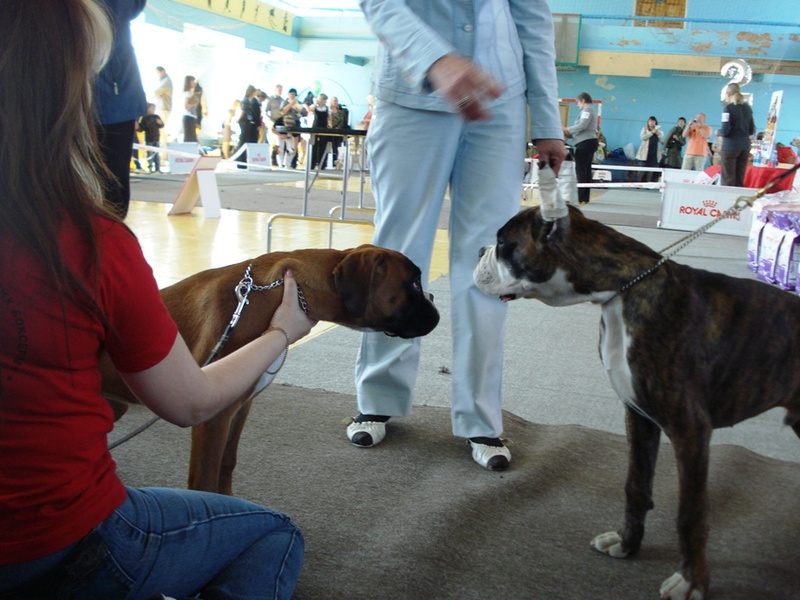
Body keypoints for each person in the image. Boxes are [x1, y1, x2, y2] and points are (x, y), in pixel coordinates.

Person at [0, 2, 317, 599]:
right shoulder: (93, 244)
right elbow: (189, 403)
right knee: (273, 534)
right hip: (60, 539)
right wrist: (282, 333)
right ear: (70, 94)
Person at [346, 0, 567, 471]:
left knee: (490, 262)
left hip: (499, 100)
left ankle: (480, 416)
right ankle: (379, 396)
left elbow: (532, 19)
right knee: (397, 253)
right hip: (410, 94)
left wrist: (548, 121)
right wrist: (434, 59)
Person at [92, 0, 147, 219]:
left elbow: (127, 8)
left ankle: (111, 233)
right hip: (78, 99)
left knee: (112, 180)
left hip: (114, 102)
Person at [563, 92, 598, 205]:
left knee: (581, 169)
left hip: (585, 142)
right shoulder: (590, 110)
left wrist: (567, 129)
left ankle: (580, 196)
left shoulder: (587, 110)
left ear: (582, 100)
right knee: (586, 170)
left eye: (578, 102)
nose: (578, 105)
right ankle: (584, 197)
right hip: (589, 141)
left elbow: (582, 126)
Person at [720, 83, 756, 187]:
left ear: (727, 94)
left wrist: (718, 132)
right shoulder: (748, 108)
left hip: (730, 147)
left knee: (728, 179)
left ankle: (727, 197)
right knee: (739, 178)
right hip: (744, 147)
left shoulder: (728, 108)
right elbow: (751, 130)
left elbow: (725, 131)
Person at [280, 88, 307, 169]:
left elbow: (304, 113)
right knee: (286, 144)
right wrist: (290, 105)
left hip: (296, 124)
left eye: (294, 95)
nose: (292, 96)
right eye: (291, 94)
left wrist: (295, 108)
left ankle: (292, 163)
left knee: (295, 145)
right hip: (286, 124)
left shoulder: (299, 103)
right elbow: (282, 111)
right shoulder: (284, 102)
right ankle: (284, 163)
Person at [235, 84, 262, 166]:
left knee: (246, 140)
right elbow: (243, 111)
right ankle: (241, 161)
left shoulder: (249, 100)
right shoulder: (246, 101)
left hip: (248, 122)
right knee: (244, 141)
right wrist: (239, 119)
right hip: (245, 122)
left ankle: (244, 160)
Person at [634, 116, 663, 182]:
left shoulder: (659, 131)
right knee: (642, 169)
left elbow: (662, 140)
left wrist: (658, 133)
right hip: (645, 153)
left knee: (651, 170)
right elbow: (643, 137)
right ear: (648, 122)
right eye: (650, 121)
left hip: (654, 153)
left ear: (655, 122)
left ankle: (648, 183)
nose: (652, 123)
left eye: (653, 121)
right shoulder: (644, 129)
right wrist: (651, 132)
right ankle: (638, 183)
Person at [138, 102, 164, 173]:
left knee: (156, 154)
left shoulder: (156, 117)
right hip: (149, 139)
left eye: (154, 109)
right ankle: (150, 167)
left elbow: (161, 125)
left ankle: (157, 168)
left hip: (156, 138)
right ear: (148, 109)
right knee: (149, 154)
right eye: (152, 108)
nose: (153, 110)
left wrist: (160, 123)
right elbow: (142, 128)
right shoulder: (145, 118)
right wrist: (137, 127)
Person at [154, 66, 172, 156]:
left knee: (162, 131)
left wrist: (158, 94)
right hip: (162, 108)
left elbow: (156, 92)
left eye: (158, 72)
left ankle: (164, 154)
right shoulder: (163, 81)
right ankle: (163, 153)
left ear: (162, 71)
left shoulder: (166, 81)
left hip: (164, 108)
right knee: (162, 132)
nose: (157, 75)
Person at [311, 93, 331, 170]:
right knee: (314, 145)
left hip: (324, 127)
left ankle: (322, 164)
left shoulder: (327, 108)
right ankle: (312, 163)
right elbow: (310, 110)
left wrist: (330, 124)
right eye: (323, 100)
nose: (325, 101)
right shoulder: (315, 107)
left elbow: (329, 118)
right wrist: (315, 103)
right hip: (316, 127)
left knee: (323, 145)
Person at [266, 84, 285, 166]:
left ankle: (280, 162)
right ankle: (271, 159)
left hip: (280, 122)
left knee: (279, 142)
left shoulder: (283, 100)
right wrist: (270, 118)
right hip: (272, 121)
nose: (280, 91)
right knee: (272, 142)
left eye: (281, 90)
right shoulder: (270, 99)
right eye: (279, 90)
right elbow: (266, 111)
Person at [182, 75, 200, 143]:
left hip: (192, 117)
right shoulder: (186, 93)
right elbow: (186, 106)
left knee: (192, 138)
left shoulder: (190, 93)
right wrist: (194, 104)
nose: (194, 83)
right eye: (192, 81)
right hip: (188, 117)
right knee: (189, 138)